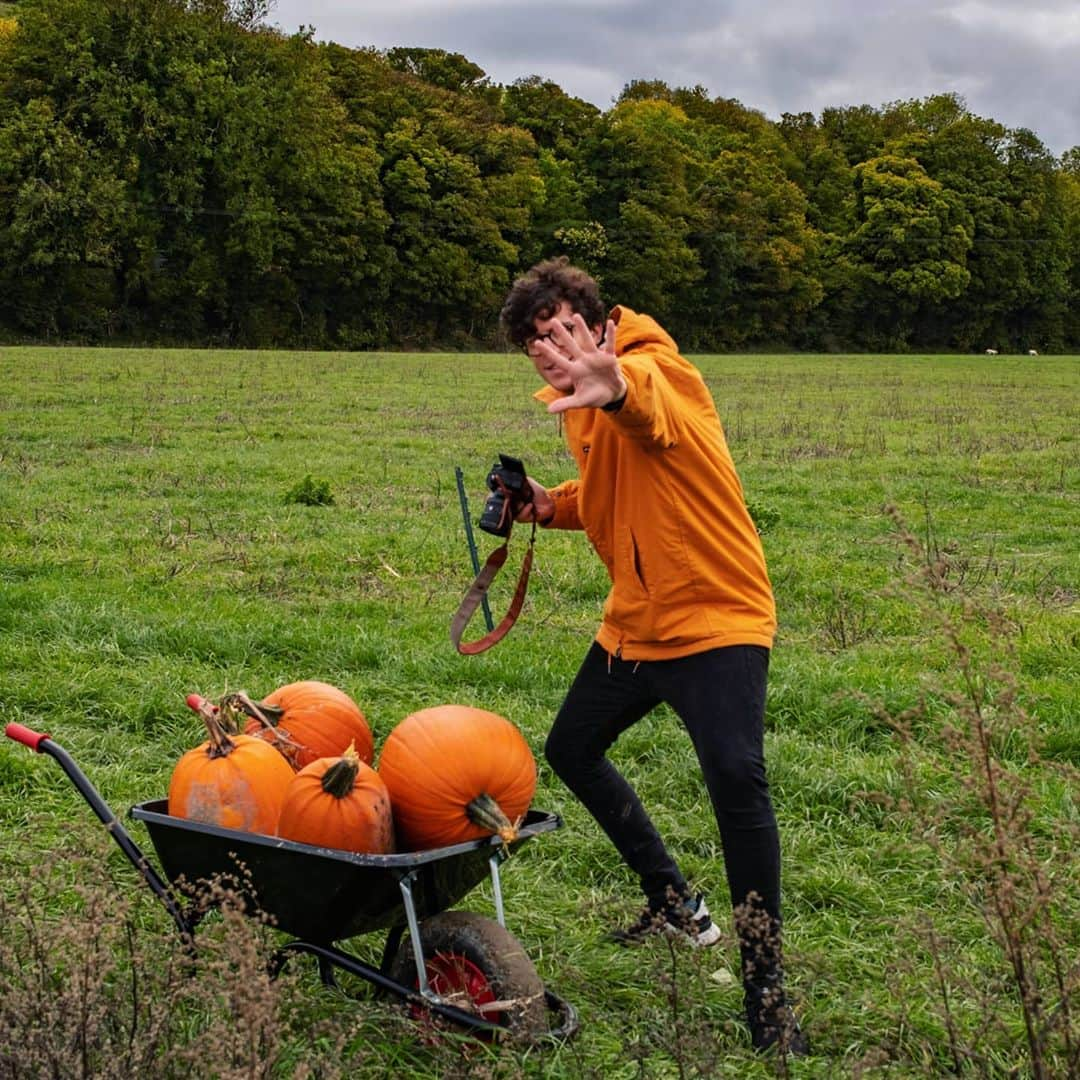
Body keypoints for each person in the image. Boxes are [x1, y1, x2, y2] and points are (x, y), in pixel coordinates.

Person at [499, 257, 808, 1056]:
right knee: (570, 747)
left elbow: (655, 414)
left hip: (717, 617)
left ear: (598, 322)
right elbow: (614, 488)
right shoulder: (574, 406)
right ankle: (671, 896)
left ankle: (767, 994)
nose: (550, 348)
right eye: (535, 341)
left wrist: (621, 387)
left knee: (738, 786)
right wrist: (547, 504)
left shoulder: (659, 370)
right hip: (636, 624)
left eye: (562, 328)